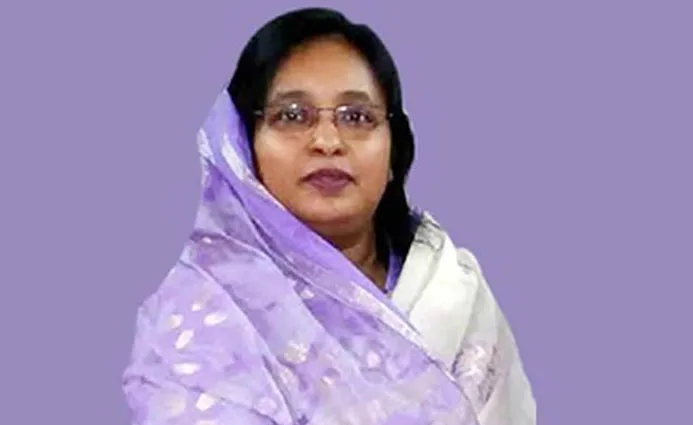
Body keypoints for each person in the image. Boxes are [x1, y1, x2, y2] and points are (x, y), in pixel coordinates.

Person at [122, 7, 536, 425]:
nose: (327, 140)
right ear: (243, 149)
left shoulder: (451, 292)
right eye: (291, 115)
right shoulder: (199, 307)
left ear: (394, 150)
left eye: (356, 117)